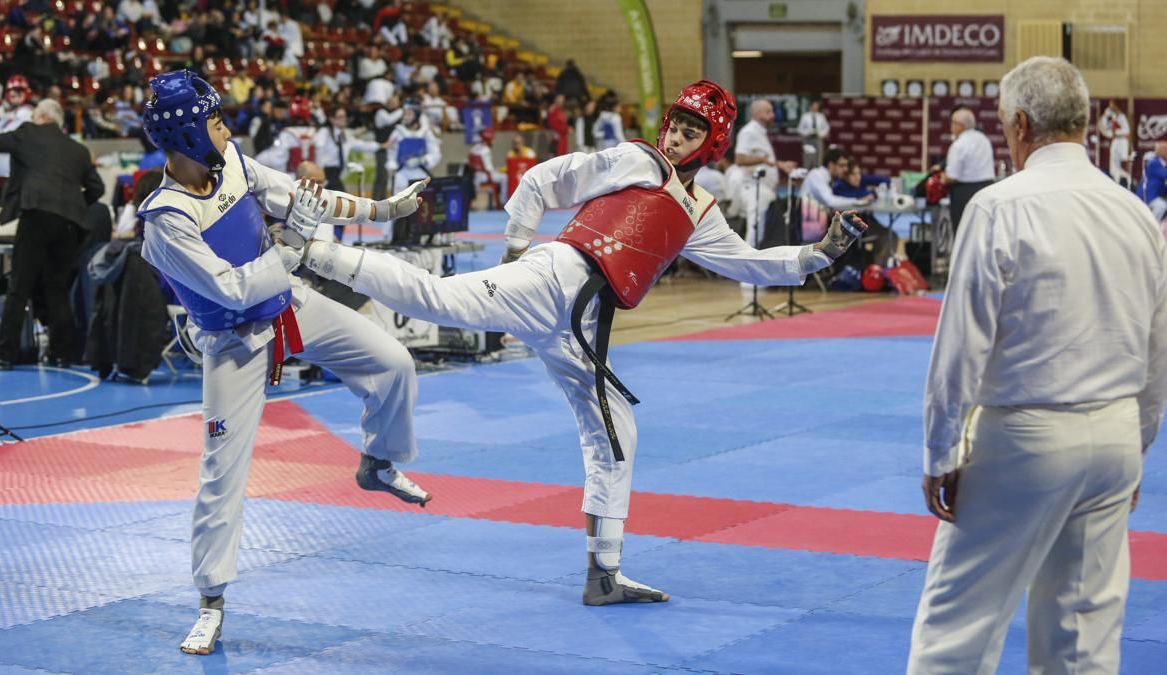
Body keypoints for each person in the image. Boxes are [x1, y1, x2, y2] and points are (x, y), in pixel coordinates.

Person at [278, 80, 868, 606]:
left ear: (714, 144)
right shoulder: (637, 159)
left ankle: (603, 573)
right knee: (439, 298)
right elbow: (543, 178)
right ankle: (312, 253)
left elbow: (748, 264)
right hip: (555, 275)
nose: (679, 135)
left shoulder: (698, 210)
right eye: (677, 123)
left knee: (614, 431)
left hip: (582, 324)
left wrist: (821, 254)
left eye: (694, 131)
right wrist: (514, 250)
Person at [134, 70, 432, 656]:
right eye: (215, 120)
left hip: (288, 306)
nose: (225, 128)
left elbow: (304, 201)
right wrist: (289, 249)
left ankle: (377, 460)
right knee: (223, 474)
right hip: (234, 341)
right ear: (189, 133)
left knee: (394, 362)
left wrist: (383, 209)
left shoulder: (237, 166)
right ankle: (211, 602)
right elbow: (229, 289)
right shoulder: (165, 220)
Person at [908, 56, 1166, 675]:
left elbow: (960, 347)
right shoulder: (1136, 212)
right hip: (1113, 435)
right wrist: (1137, 444)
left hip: (1024, 437)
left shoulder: (1001, 206)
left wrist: (940, 452)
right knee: (1082, 636)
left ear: (1019, 123)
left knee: (957, 629)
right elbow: (1158, 350)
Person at [0, 99, 103, 369]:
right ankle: (61, 354)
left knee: (19, 286)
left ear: (39, 116)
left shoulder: (27, 132)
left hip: (36, 215)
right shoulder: (77, 149)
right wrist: (73, 207)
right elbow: (96, 189)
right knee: (57, 289)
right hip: (68, 224)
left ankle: (5, 355)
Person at [733, 100, 795, 251]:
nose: (773, 115)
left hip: (765, 189)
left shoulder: (759, 132)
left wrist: (780, 164)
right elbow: (740, 159)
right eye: (768, 111)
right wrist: (763, 159)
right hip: (754, 188)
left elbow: (765, 161)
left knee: (762, 231)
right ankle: (745, 265)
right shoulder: (748, 132)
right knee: (755, 230)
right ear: (757, 113)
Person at [942, 107, 995, 233]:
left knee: (963, 233)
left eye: (952, 123)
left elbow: (952, 177)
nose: (951, 127)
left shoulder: (959, 144)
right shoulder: (984, 139)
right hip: (987, 189)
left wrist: (942, 178)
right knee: (983, 231)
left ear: (960, 125)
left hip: (964, 194)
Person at [312, 106, 380, 193]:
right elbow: (318, 151)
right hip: (326, 172)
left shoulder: (345, 135)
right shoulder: (324, 132)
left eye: (344, 116)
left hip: (337, 173)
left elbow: (362, 145)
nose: (343, 119)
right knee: (341, 199)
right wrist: (320, 175)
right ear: (332, 119)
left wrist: (381, 145)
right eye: (340, 117)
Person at [799, 147, 872, 211]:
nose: (846, 169)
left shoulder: (829, 178)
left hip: (815, 219)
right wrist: (857, 201)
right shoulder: (816, 175)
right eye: (842, 165)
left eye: (846, 165)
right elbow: (830, 201)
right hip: (806, 222)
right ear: (831, 165)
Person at [468, 127, 506, 205]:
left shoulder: (474, 148)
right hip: (484, 176)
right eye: (492, 139)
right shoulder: (486, 150)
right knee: (505, 177)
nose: (493, 141)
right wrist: (497, 170)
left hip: (475, 177)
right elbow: (488, 169)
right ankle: (503, 201)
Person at [1100, 98, 1131, 186]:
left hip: (1122, 142)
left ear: (1116, 105)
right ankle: (1116, 182)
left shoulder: (1122, 117)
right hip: (1115, 142)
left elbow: (1127, 132)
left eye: (1112, 104)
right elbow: (1105, 128)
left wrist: (1116, 133)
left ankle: (1128, 182)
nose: (1110, 106)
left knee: (1123, 164)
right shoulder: (1112, 116)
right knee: (1113, 166)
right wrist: (1105, 115)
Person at [1137, 140, 1167, 227]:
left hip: (1158, 195)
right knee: (1162, 205)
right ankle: (1152, 227)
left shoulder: (1163, 164)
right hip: (1148, 196)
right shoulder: (1154, 163)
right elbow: (1164, 175)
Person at [796, 99, 830, 169]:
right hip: (808, 139)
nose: (815, 107)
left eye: (816, 106)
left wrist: (821, 134)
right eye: (814, 106)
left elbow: (826, 127)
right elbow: (799, 129)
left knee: (818, 158)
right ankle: (807, 172)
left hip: (818, 139)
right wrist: (807, 132)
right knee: (808, 158)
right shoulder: (805, 116)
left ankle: (818, 173)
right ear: (810, 106)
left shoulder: (821, 116)